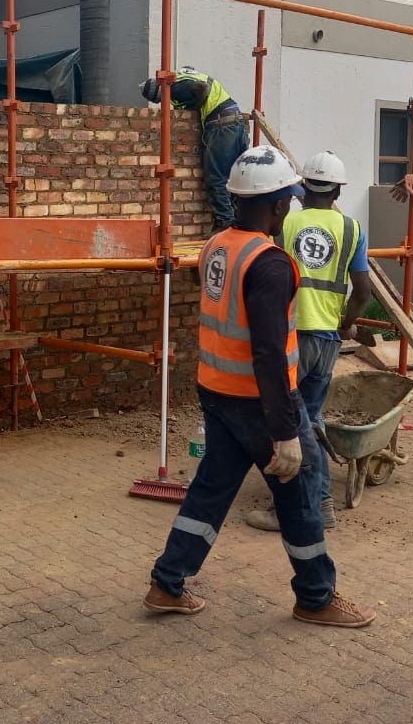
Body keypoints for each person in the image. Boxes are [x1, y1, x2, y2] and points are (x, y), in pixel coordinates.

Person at [143, 145, 377, 629]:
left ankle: (168, 583)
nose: (289, 207)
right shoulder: (269, 263)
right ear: (274, 205)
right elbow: (269, 353)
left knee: (212, 488)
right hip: (257, 400)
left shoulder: (216, 246)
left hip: (216, 391)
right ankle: (315, 597)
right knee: (302, 489)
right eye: (286, 200)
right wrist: (287, 431)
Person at [245, 151, 372, 533]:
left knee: (284, 420)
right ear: (337, 189)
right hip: (327, 338)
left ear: (303, 187)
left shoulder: (284, 222)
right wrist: (346, 323)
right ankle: (319, 502)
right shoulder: (352, 228)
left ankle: (299, 505)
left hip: (289, 335)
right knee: (310, 419)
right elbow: (363, 290)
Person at [141, 67, 249, 234]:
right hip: (235, 122)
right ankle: (240, 220)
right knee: (234, 177)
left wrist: (193, 111)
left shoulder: (173, 86)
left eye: (159, 98)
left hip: (221, 125)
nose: (163, 100)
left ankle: (225, 222)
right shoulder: (182, 76)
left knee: (216, 178)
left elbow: (200, 89)